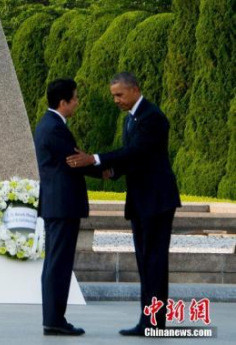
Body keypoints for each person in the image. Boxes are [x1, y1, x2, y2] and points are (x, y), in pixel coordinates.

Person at [67, 72, 181, 336]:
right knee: (145, 261)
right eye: (113, 96)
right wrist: (112, 172)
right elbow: (134, 159)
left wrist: (95, 159)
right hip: (141, 200)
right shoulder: (130, 119)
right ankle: (148, 321)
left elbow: (137, 151)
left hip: (156, 200)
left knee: (153, 261)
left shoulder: (152, 117)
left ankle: (154, 323)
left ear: (135, 90)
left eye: (119, 95)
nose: (116, 100)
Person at [34, 78, 108, 336]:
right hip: (63, 206)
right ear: (63, 102)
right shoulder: (55, 128)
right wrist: (106, 170)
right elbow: (75, 160)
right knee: (59, 264)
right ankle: (54, 320)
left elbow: (75, 159)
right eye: (74, 98)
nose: (77, 102)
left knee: (55, 263)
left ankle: (54, 318)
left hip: (57, 205)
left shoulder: (50, 124)